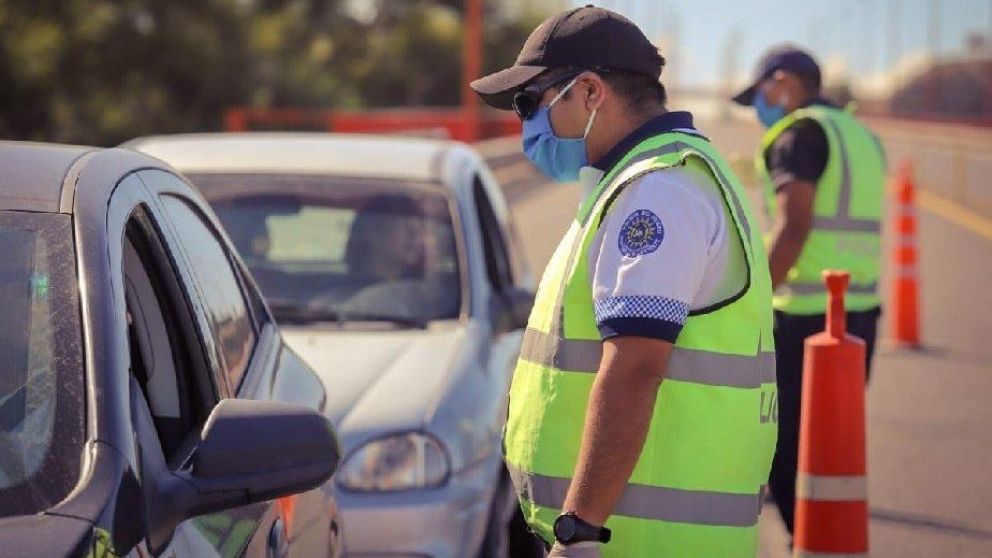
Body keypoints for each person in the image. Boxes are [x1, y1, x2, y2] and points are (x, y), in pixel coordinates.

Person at [470, 6, 777, 557]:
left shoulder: (657, 191)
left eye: (528, 102)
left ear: (589, 93)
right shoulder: (648, 179)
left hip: (637, 542)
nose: (525, 124)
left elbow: (635, 368)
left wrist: (579, 530)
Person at [731, 45, 885, 535]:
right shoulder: (859, 135)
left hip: (802, 317)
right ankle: (823, 537)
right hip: (857, 309)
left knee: (787, 454)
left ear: (783, 82)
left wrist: (751, 302)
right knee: (827, 449)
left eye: (759, 94)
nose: (758, 107)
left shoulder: (798, 134)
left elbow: (794, 226)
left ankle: (809, 540)